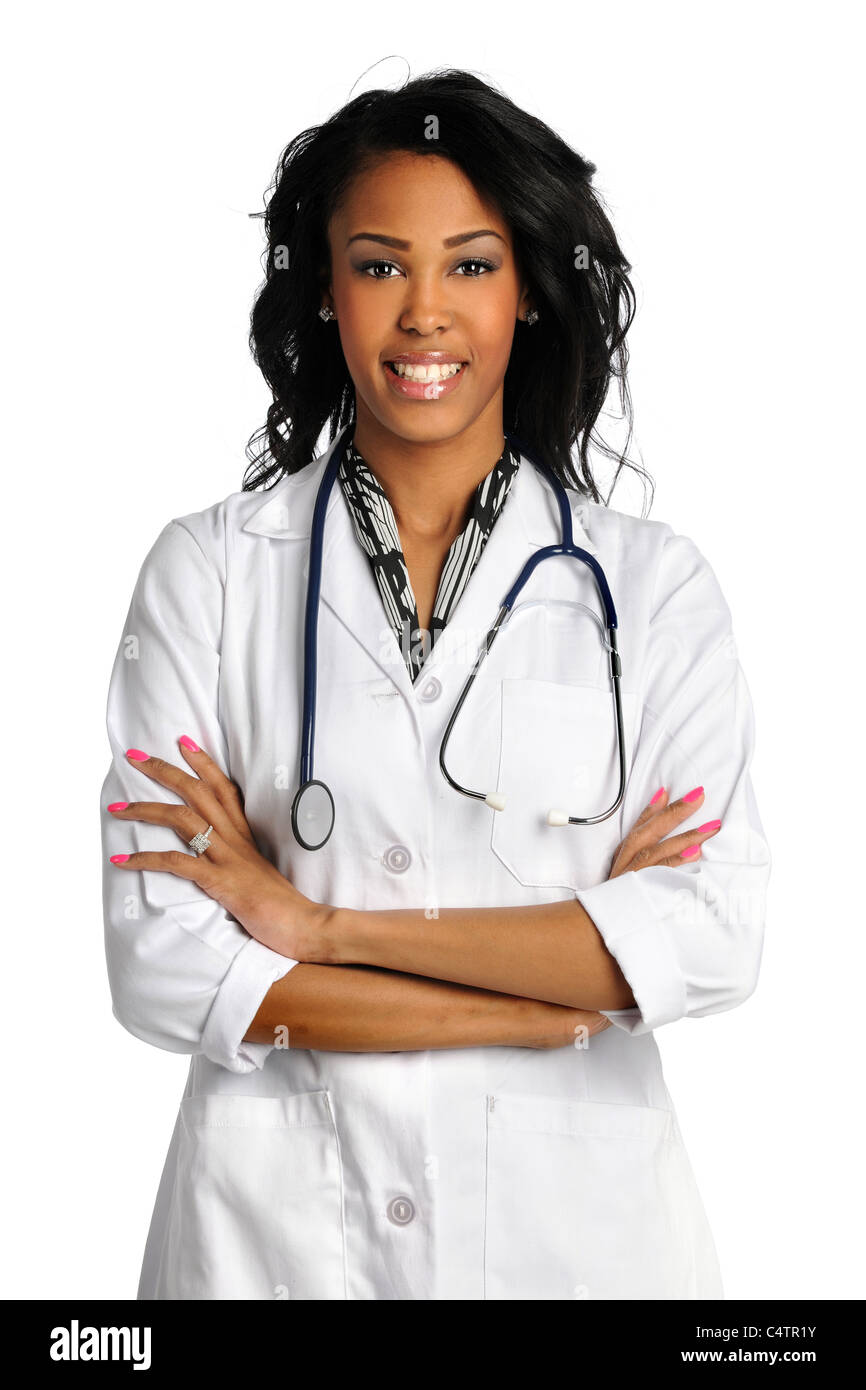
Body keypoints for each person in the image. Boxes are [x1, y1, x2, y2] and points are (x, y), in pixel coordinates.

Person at [100, 68, 770, 1301]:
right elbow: (166, 969)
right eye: (376, 264)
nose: (423, 315)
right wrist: (540, 998)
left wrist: (315, 930)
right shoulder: (207, 575)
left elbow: (709, 934)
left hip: (573, 1250)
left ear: (526, 295)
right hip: (272, 1249)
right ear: (325, 291)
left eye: (468, 265)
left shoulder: (652, 591)